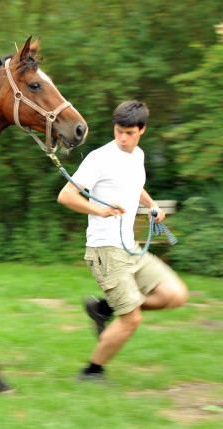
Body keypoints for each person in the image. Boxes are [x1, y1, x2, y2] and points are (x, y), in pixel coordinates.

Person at [57, 100, 189, 379]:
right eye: (119, 131)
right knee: (132, 319)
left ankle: (104, 308)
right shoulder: (100, 158)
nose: (123, 138)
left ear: (142, 130)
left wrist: (151, 206)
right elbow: (66, 195)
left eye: (129, 133)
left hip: (131, 248)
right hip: (105, 251)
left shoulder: (137, 155)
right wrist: (99, 210)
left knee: (175, 295)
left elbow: (135, 186)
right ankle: (92, 372)